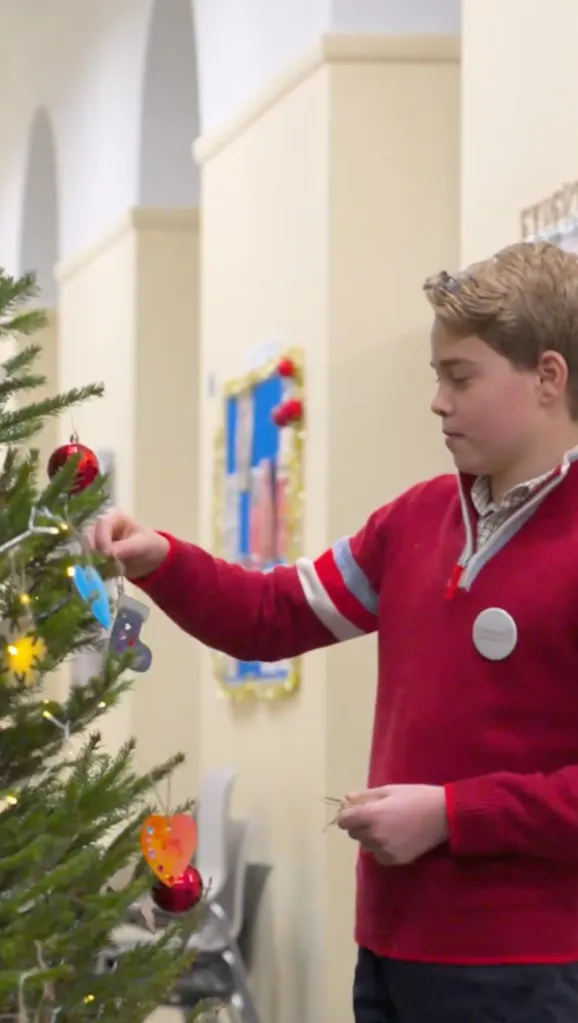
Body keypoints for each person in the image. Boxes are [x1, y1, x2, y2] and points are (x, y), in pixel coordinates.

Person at [87, 241, 578, 1022]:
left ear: (548, 377)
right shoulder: (415, 519)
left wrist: (451, 815)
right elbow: (270, 614)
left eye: (461, 376)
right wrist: (162, 562)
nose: (438, 402)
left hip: (531, 967)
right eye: (435, 375)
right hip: (388, 948)